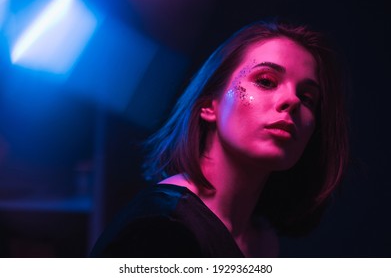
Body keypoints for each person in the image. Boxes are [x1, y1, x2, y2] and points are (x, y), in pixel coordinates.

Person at [90, 19, 349, 258]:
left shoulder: (261, 236)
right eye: (267, 81)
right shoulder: (161, 229)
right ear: (210, 106)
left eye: (307, 98)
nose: (292, 100)